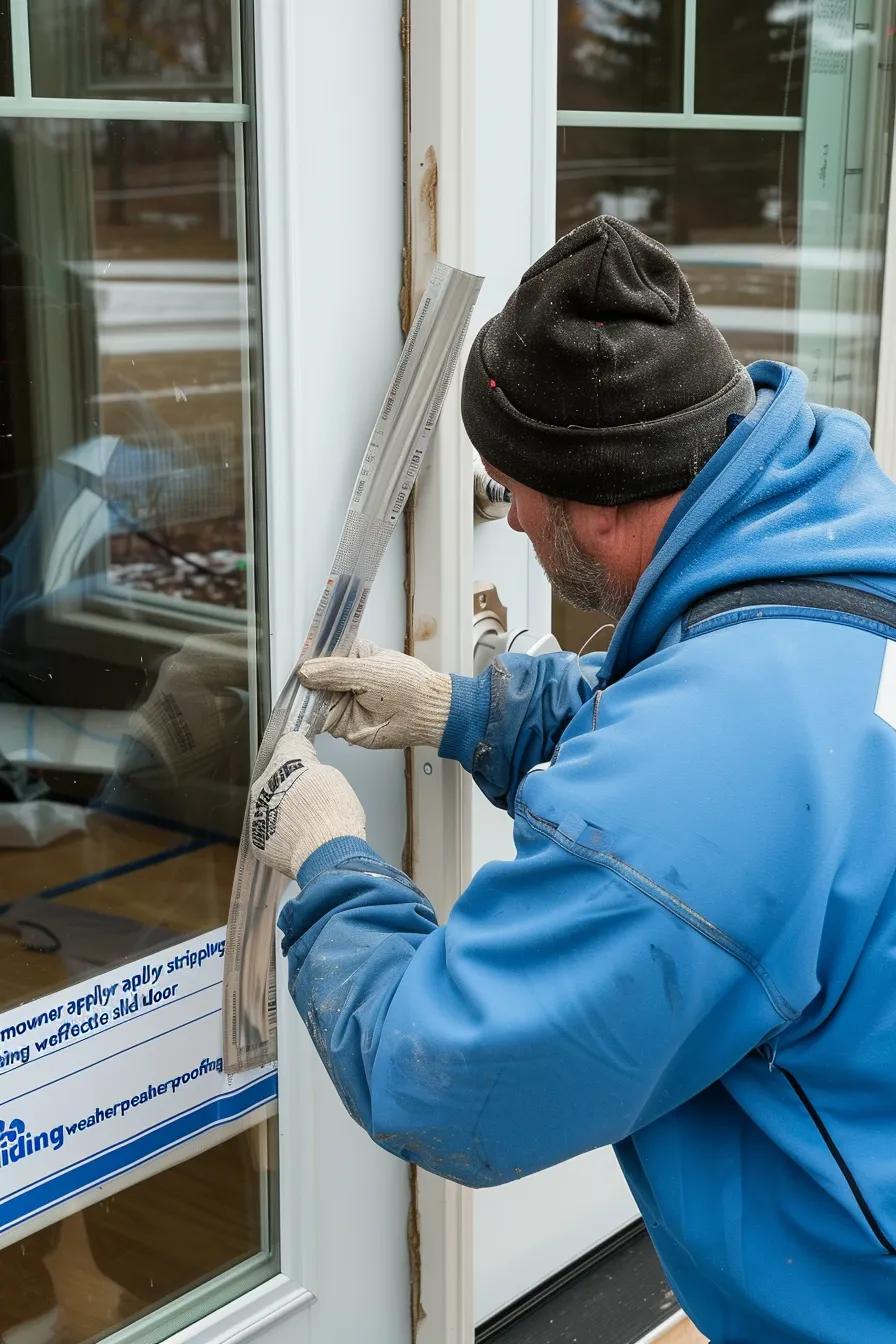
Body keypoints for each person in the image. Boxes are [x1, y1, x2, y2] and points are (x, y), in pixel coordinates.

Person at [248, 216, 896, 1343]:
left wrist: (327, 860)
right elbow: (704, 737)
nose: (507, 519)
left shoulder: (707, 776)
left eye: (508, 491)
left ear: (596, 499)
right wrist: (470, 712)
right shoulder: (825, 558)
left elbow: (441, 1067)